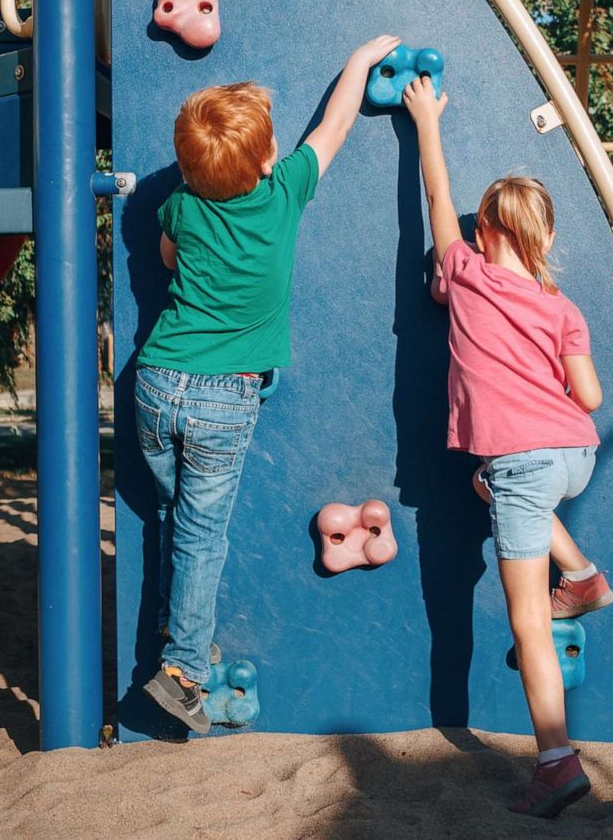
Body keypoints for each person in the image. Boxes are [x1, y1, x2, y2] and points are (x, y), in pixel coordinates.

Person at [136, 36, 402, 733]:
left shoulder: (183, 208)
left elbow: (167, 261)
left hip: (157, 383)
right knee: (200, 532)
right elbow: (335, 126)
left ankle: (177, 621)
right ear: (264, 160)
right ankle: (186, 670)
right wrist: (358, 62)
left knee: (181, 517)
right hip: (224, 397)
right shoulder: (284, 192)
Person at [403, 75, 612, 817]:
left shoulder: (463, 273)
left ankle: (555, 761)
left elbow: (434, 194)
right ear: (546, 236)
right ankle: (582, 573)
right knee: (492, 490)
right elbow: (588, 396)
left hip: (523, 463)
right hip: (575, 455)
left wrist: (427, 120)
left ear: (483, 230)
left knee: (527, 616)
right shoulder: (563, 307)